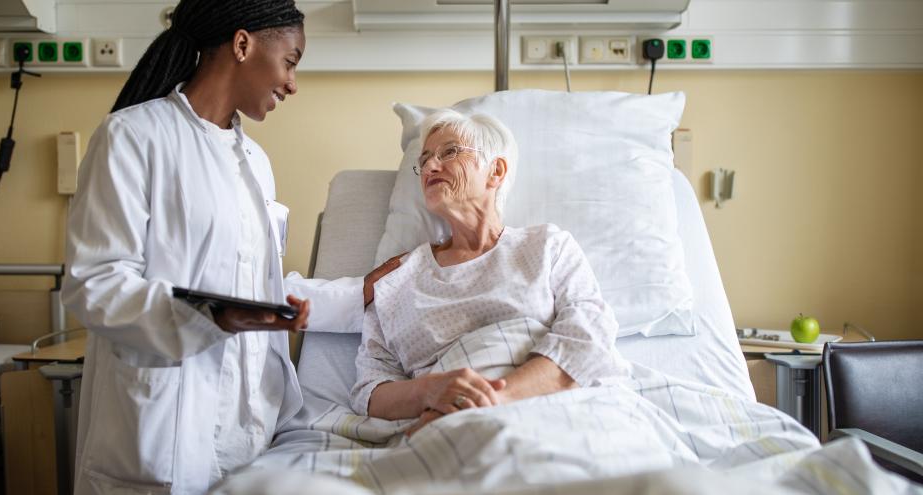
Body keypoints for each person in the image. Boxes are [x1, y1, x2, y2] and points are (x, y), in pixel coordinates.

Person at [63, 1, 398, 492]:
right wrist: (210, 314)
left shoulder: (255, 162)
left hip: (249, 425)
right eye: (290, 61)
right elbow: (95, 284)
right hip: (163, 427)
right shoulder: (132, 137)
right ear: (242, 45)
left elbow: (250, 283)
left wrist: (356, 294)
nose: (292, 83)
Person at [350, 110, 631, 433]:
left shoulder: (546, 247)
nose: (429, 166)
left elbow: (589, 337)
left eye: (449, 152)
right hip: (442, 426)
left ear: (495, 171)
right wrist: (430, 392)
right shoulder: (397, 280)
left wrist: (487, 404)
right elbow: (369, 391)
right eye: (424, 159)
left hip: (550, 412)